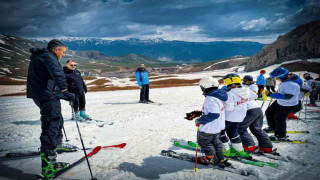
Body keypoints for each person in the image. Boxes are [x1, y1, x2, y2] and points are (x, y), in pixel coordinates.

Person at [27, 39, 75, 178]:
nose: (63, 55)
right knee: (51, 126)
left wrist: (59, 93)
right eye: (63, 52)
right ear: (56, 50)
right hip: (47, 97)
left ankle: (56, 144)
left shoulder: (41, 56)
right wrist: (65, 90)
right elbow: (57, 73)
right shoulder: (49, 57)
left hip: (44, 94)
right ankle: (49, 166)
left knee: (57, 120)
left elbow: (45, 78)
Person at [196, 76, 231, 167]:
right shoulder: (219, 96)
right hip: (218, 126)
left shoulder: (211, 98)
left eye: (202, 87)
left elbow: (214, 114)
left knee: (204, 142)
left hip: (209, 127)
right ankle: (220, 158)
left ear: (205, 87)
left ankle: (210, 158)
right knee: (216, 142)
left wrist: (201, 120)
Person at [264, 67, 302, 141]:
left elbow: (287, 97)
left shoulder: (291, 84)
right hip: (280, 102)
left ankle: (280, 136)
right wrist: (275, 93)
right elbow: (283, 91)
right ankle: (273, 127)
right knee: (269, 112)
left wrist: (271, 94)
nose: (276, 79)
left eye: (277, 78)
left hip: (288, 104)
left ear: (281, 76)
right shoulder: (286, 80)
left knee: (280, 119)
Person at [238, 75, 273, 153]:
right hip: (257, 109)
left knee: (240, 128)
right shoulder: (243, 88)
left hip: (250, 110)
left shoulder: (248, 88)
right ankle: (266, 147)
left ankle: (249, 146)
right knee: (256, 129)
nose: (248, 83)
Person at [220, 73, 251, 158]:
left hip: (229, 117)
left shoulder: (230, 93)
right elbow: (253, 96)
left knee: (221, 132)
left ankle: (225, 150)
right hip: (240, 116)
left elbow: (229, 108)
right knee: (233, 132)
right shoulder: (246, 89)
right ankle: (239, 150)